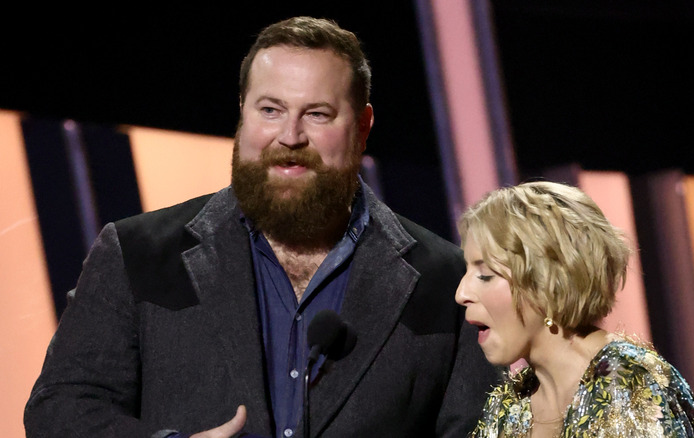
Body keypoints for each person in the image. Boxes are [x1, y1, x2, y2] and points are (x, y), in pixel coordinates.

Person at [24, 16, 498, 438]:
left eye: (317, 114)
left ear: (363, 125)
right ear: (242, 113)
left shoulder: (445, 281)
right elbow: (60, 410)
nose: (289, 137)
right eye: (270, 110)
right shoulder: (137, 254)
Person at [455, 181, 694, 437]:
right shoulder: (506, 408)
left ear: (547, 282)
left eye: (485, 274)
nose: (461, 294)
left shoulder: (630, 384)